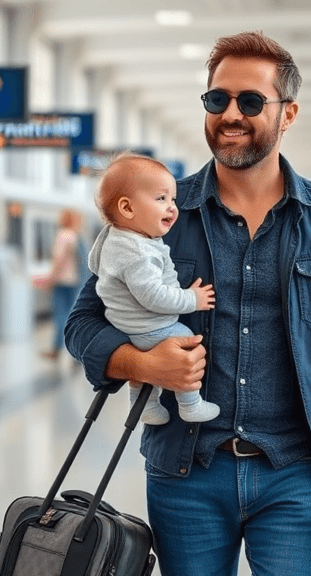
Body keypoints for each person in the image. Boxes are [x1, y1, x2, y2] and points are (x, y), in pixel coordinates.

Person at [65, 31, 311, 576]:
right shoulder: (157, 218)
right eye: (217, 99)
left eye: (250, 101)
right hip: (186, 475)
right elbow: (83, 322)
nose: (231, 113)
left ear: (288, 113)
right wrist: (142, 364)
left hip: (295, 472)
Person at [88, 154, 220, 425]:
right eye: (162, 199)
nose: (173, 208)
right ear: (127, 208)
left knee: (144, 369)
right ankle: (190, 404)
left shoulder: (112, 236)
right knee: (185, 340)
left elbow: (94, 266)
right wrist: (190, 299)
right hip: (150, 327)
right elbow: (154, 296)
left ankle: (145, 405)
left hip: (123, 327)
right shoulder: (137, 252)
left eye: (172, 199)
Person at [43, 208, 84, 360]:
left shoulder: (62, 235)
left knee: (60, 316)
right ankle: (76, 352)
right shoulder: (75, 236)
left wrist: (50, 279)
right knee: (73, 316)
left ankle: (56, 350)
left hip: (61, 282)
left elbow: (59, 261)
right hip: (75, 282)